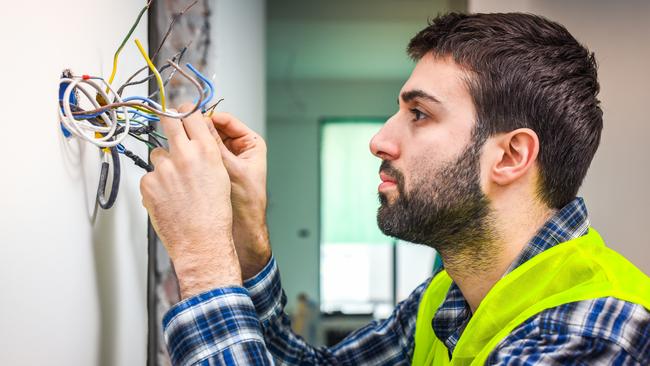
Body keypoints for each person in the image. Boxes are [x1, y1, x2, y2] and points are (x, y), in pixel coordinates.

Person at [140, 12, 650, 365]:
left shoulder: (593, 334)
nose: (380, 140)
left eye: (420, 114)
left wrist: (203, 260)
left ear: (510, 156)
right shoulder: (451, 297)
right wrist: (245, 237)